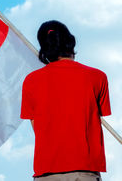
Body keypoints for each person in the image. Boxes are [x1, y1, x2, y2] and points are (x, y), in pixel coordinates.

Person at [21, 20, 111, 181]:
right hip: (84, 170)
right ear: (71, 42)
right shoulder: (97, 77)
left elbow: (36, 127)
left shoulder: (31, 81)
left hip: (46, 171)